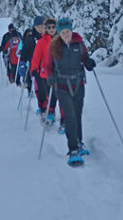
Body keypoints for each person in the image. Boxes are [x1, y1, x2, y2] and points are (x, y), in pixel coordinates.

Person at [49, 17, 96, 166]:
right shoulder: (54, 46)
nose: (66, 34)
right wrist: (50, 76)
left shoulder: (79, 44)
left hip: (78, 83)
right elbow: (49, 66)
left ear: (71, 30)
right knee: (69, 116)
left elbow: (85, 59)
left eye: (68, 31)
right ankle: (73, 150)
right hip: (62, 86)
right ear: (59, 33)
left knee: (77, 114)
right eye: (62, 32)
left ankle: (79, 142)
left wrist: (89, 63)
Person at [29, 17, 57, 124]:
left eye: (53, 27)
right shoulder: (41, 42)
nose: (51, 29)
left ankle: (51, 113)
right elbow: (36, 57)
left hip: (56, 73)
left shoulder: (60, 40)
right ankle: (44, 110)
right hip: (44, 73)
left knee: (53, 94)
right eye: (48, 27)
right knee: (44, 93)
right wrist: (34, 69)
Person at [18, 16, 44, 92]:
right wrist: (22, 62)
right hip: (32, 64)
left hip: (44, 64)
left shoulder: (47, 37)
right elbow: (24, 51)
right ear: (34, 27)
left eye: (42, 26)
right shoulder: (30, 38)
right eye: (38, 26)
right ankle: (32, 92)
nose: (40, 28)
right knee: (35, 81)